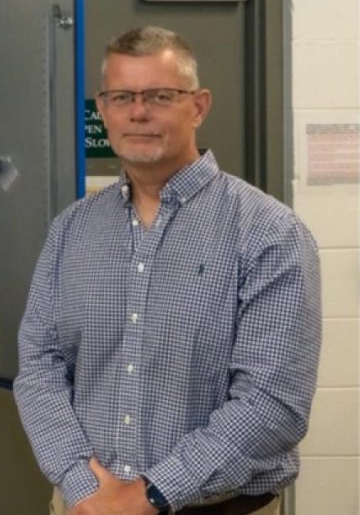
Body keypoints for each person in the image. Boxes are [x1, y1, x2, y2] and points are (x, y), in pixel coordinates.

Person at [16, 26, 321, 515]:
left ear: (198, 106)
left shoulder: (269, 233)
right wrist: (81, 481)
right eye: (122, 97)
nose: (138, 112)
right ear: (103, 108)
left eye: (160, 95)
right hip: (87, 506)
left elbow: (273, 404)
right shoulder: (72, 231)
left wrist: (151, 493)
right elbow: (38, 366)